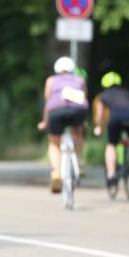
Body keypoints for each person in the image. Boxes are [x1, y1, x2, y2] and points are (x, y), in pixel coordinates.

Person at [37, 56, 89, 193]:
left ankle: (56, 174)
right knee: (77, 132)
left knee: (54, 143)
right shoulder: (80, 79)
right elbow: (84, 98)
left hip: (56, 111)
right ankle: (79, 161)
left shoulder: (51, 80)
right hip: (77, 111)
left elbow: (48, 103)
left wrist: (44, 121)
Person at [93, 71, 129, 188]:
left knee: (111, 145)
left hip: (115, 119)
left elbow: (100, 115)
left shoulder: (103, 95)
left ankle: (111, 173)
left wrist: (99, 127)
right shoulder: (127, 93)